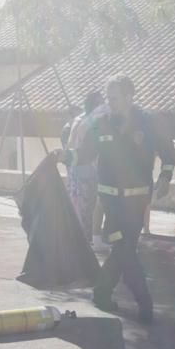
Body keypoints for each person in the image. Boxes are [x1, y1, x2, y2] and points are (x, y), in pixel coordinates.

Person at [60, 75, 175, 322]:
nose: (109, 103)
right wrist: (65, 156)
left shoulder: (148, 123)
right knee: (124, 248)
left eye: (113, 98)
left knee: (123, 249)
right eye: (108, 98)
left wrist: (166, 177)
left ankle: (101, 293)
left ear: (129, 96)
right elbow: (85, 154)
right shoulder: (101, 124)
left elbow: (168, 151)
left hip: (137, 203)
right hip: (111, 203)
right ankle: (144, 303)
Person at [65, 91, 108, 245]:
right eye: (100, 102)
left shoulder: (79, 120)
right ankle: (86, 239)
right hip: (87, 168)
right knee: (88, 205)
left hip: (76, 167)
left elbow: (70, 144)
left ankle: (82, 238)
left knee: (79, 205)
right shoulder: (93, 120)